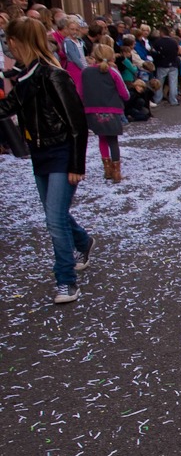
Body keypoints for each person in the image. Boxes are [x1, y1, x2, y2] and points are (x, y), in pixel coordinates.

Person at [0, 17, 93, 304]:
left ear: (17, 41)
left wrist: (77, 164)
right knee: (57, 214)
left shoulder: (53, 75)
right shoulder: (28, 74)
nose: (6, 46)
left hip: (61, 153)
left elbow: (77, 122)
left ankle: (66, 281)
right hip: (41, 153)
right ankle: (82, 241)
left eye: (8, 41)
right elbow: (10, 105)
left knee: (54, 218)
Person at [82, 44, 131, 183]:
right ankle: (116, 172)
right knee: (113, 140)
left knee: (102, 138)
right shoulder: (113, 72)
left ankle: (107, 169)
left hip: (92, 110)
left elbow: (80, 92)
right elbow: (124, 93)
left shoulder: (85, 72)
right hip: (111, 110)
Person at [150, 26, 181, 106]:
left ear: (161, 32)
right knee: (173, 83)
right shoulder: (174, 42)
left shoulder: (158, 42)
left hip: (162, 64)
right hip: (173, 64)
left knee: (160, 83)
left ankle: (157, 99)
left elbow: (154, 53)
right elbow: (177, 52)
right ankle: (173, 100)